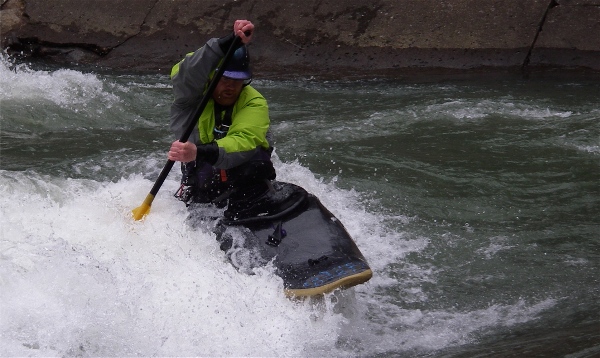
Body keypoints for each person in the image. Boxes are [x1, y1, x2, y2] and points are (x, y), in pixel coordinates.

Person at [167, 20, 276, 211]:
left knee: (256, 160)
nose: (231, 87)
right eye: (225, 79)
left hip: (246, 188)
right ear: (211, 77)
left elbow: (244, 139)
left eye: (238, 80)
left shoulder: (254, 102)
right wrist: (226, 42)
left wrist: (198, 152)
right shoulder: (191, 97)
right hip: (203, 186)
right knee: (203, 173)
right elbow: (186, 72)